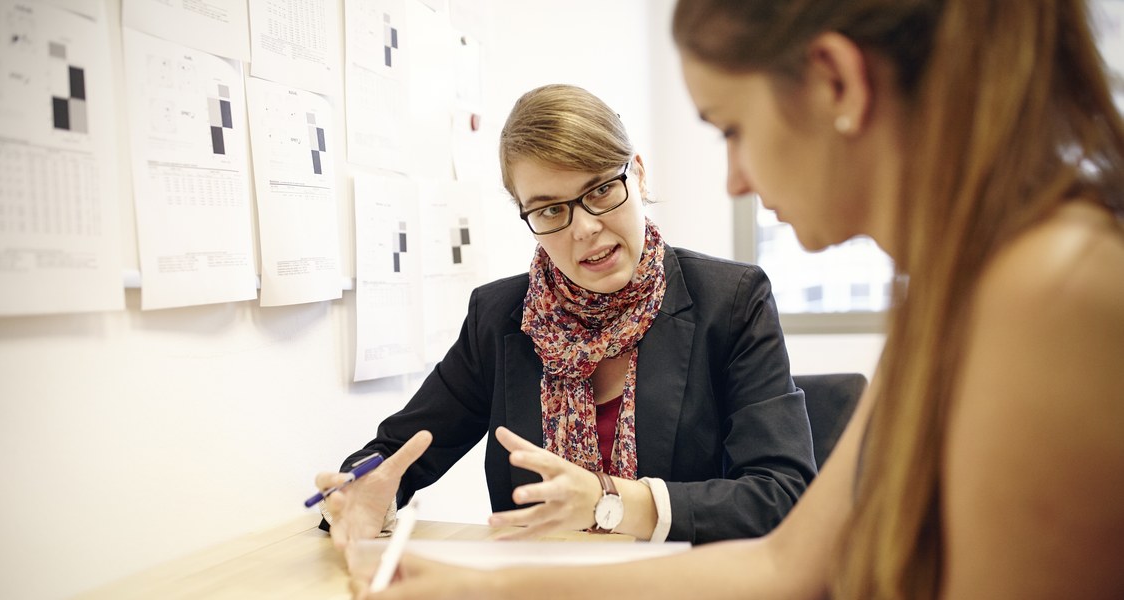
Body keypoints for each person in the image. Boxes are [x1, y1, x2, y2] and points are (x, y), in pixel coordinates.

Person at [353, 0, 1124, 598]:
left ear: (835, 82)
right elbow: (791, 566)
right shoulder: (963, 291)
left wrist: (603, 511)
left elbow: (783, 518)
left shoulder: (1047, 292)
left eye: (731, 128)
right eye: (550, 210)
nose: (733, 180)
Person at [314, 83, 816, 547]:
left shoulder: (730, 301)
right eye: (551, 209)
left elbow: (783, 495)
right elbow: (396, 455)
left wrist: (611, 501)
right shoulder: (500, 317)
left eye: (600, 190)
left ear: (637, 173)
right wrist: (360, 495)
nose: (585, 228)